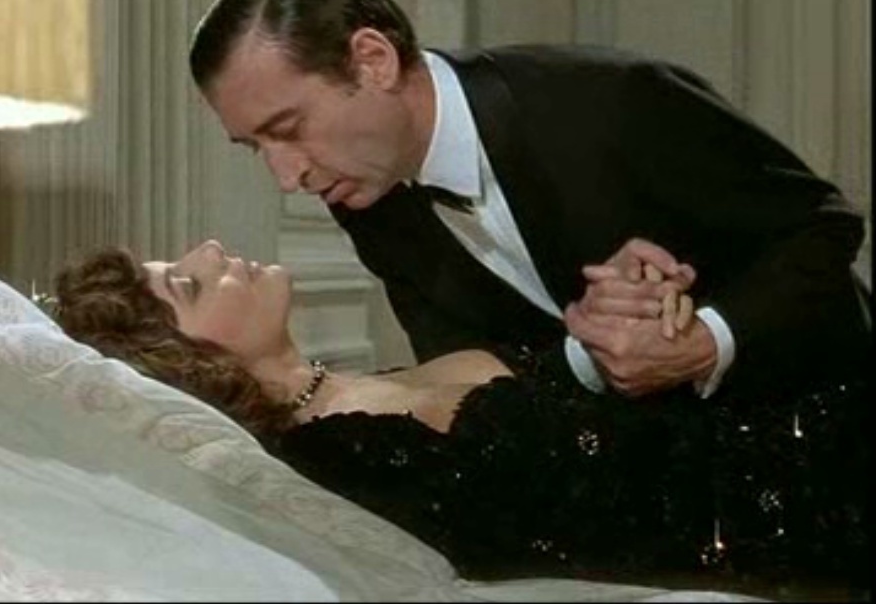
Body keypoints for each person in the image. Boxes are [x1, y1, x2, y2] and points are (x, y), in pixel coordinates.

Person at [187, 0, 871, 404]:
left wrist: (703, 341)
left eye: (288, 128)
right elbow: (481, 386)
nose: (286, 176)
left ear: (373, 61)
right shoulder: (367, 197)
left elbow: (823, 227)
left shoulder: (610, 99)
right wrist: (591, 349)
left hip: (828, 416)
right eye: (255, 147)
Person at [53, 239, 869, 600]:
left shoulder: (351, 392)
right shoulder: (337, 458)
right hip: (798, 516)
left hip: (796, 443)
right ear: (194, 366)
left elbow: (567, 409)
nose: (209, 250)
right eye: (188, 285)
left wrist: (612, 322)